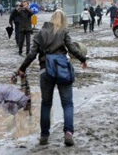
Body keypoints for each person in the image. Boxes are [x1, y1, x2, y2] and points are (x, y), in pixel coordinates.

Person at [17, 9, 87, 146]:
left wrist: (22, 68)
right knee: (67, 103)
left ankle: (44, 136)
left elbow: (31, 54)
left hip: (45, 71)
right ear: (63, 20)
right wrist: (83, 59)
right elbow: (72, 49)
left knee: (46, 103)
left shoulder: (41, 33)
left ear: (51, 18)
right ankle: (68, 133)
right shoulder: (63, 32)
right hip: (62, 70)